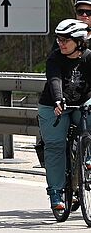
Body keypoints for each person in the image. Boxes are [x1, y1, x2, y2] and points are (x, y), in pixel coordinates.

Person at [42, 18, 91, 212]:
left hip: (81, 105)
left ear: (79, 41)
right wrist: (58, 99)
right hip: (54, 105)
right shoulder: (55, 58)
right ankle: (56, 192)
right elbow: (54, 80)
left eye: (65, 40)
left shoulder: (89, 57)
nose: (60, 43)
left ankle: (88, 158)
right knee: (55, 146)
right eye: (59, 39)